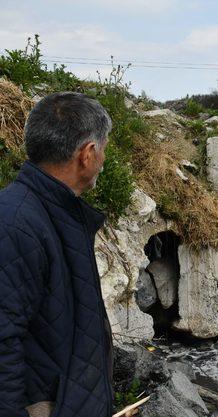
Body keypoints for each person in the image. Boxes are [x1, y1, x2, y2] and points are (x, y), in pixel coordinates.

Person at [0, 92, 114, 417]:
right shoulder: (15, 221)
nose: (103, 159)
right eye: (103, 148)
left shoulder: (54, 212)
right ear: (87, 154)